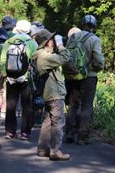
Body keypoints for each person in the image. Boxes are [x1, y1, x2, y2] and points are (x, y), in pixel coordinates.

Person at [65, 15, 105, 145]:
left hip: (72, 76)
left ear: (82, 24)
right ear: (93, 26)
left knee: (72, 105)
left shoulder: (73, 37)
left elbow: (66, 55)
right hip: (89, 77)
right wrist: (98, 68)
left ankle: (69, 133)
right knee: (86, 106)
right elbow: (98, 60)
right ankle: (82, 136)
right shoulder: (94, 39)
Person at [33, 29, 71, 161]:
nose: (53, 41)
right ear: (46, 42)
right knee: (58, 122)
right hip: (54, 93)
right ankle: (55, 151)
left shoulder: (39, 55)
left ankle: (43, 149)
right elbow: (65, 58)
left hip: (48, 93)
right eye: (51, 39)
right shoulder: (45, 56)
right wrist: (61, 46)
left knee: (48, 121)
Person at [0, 19, 37, 140]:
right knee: (27, 105)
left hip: (11, 78)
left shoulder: (8, 41)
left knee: (11, 105)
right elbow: (35, 59)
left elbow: (2, 60)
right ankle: (25, 132)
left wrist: (5, 74)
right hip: (25, 78)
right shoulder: (31, 42)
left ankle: (10, 131)